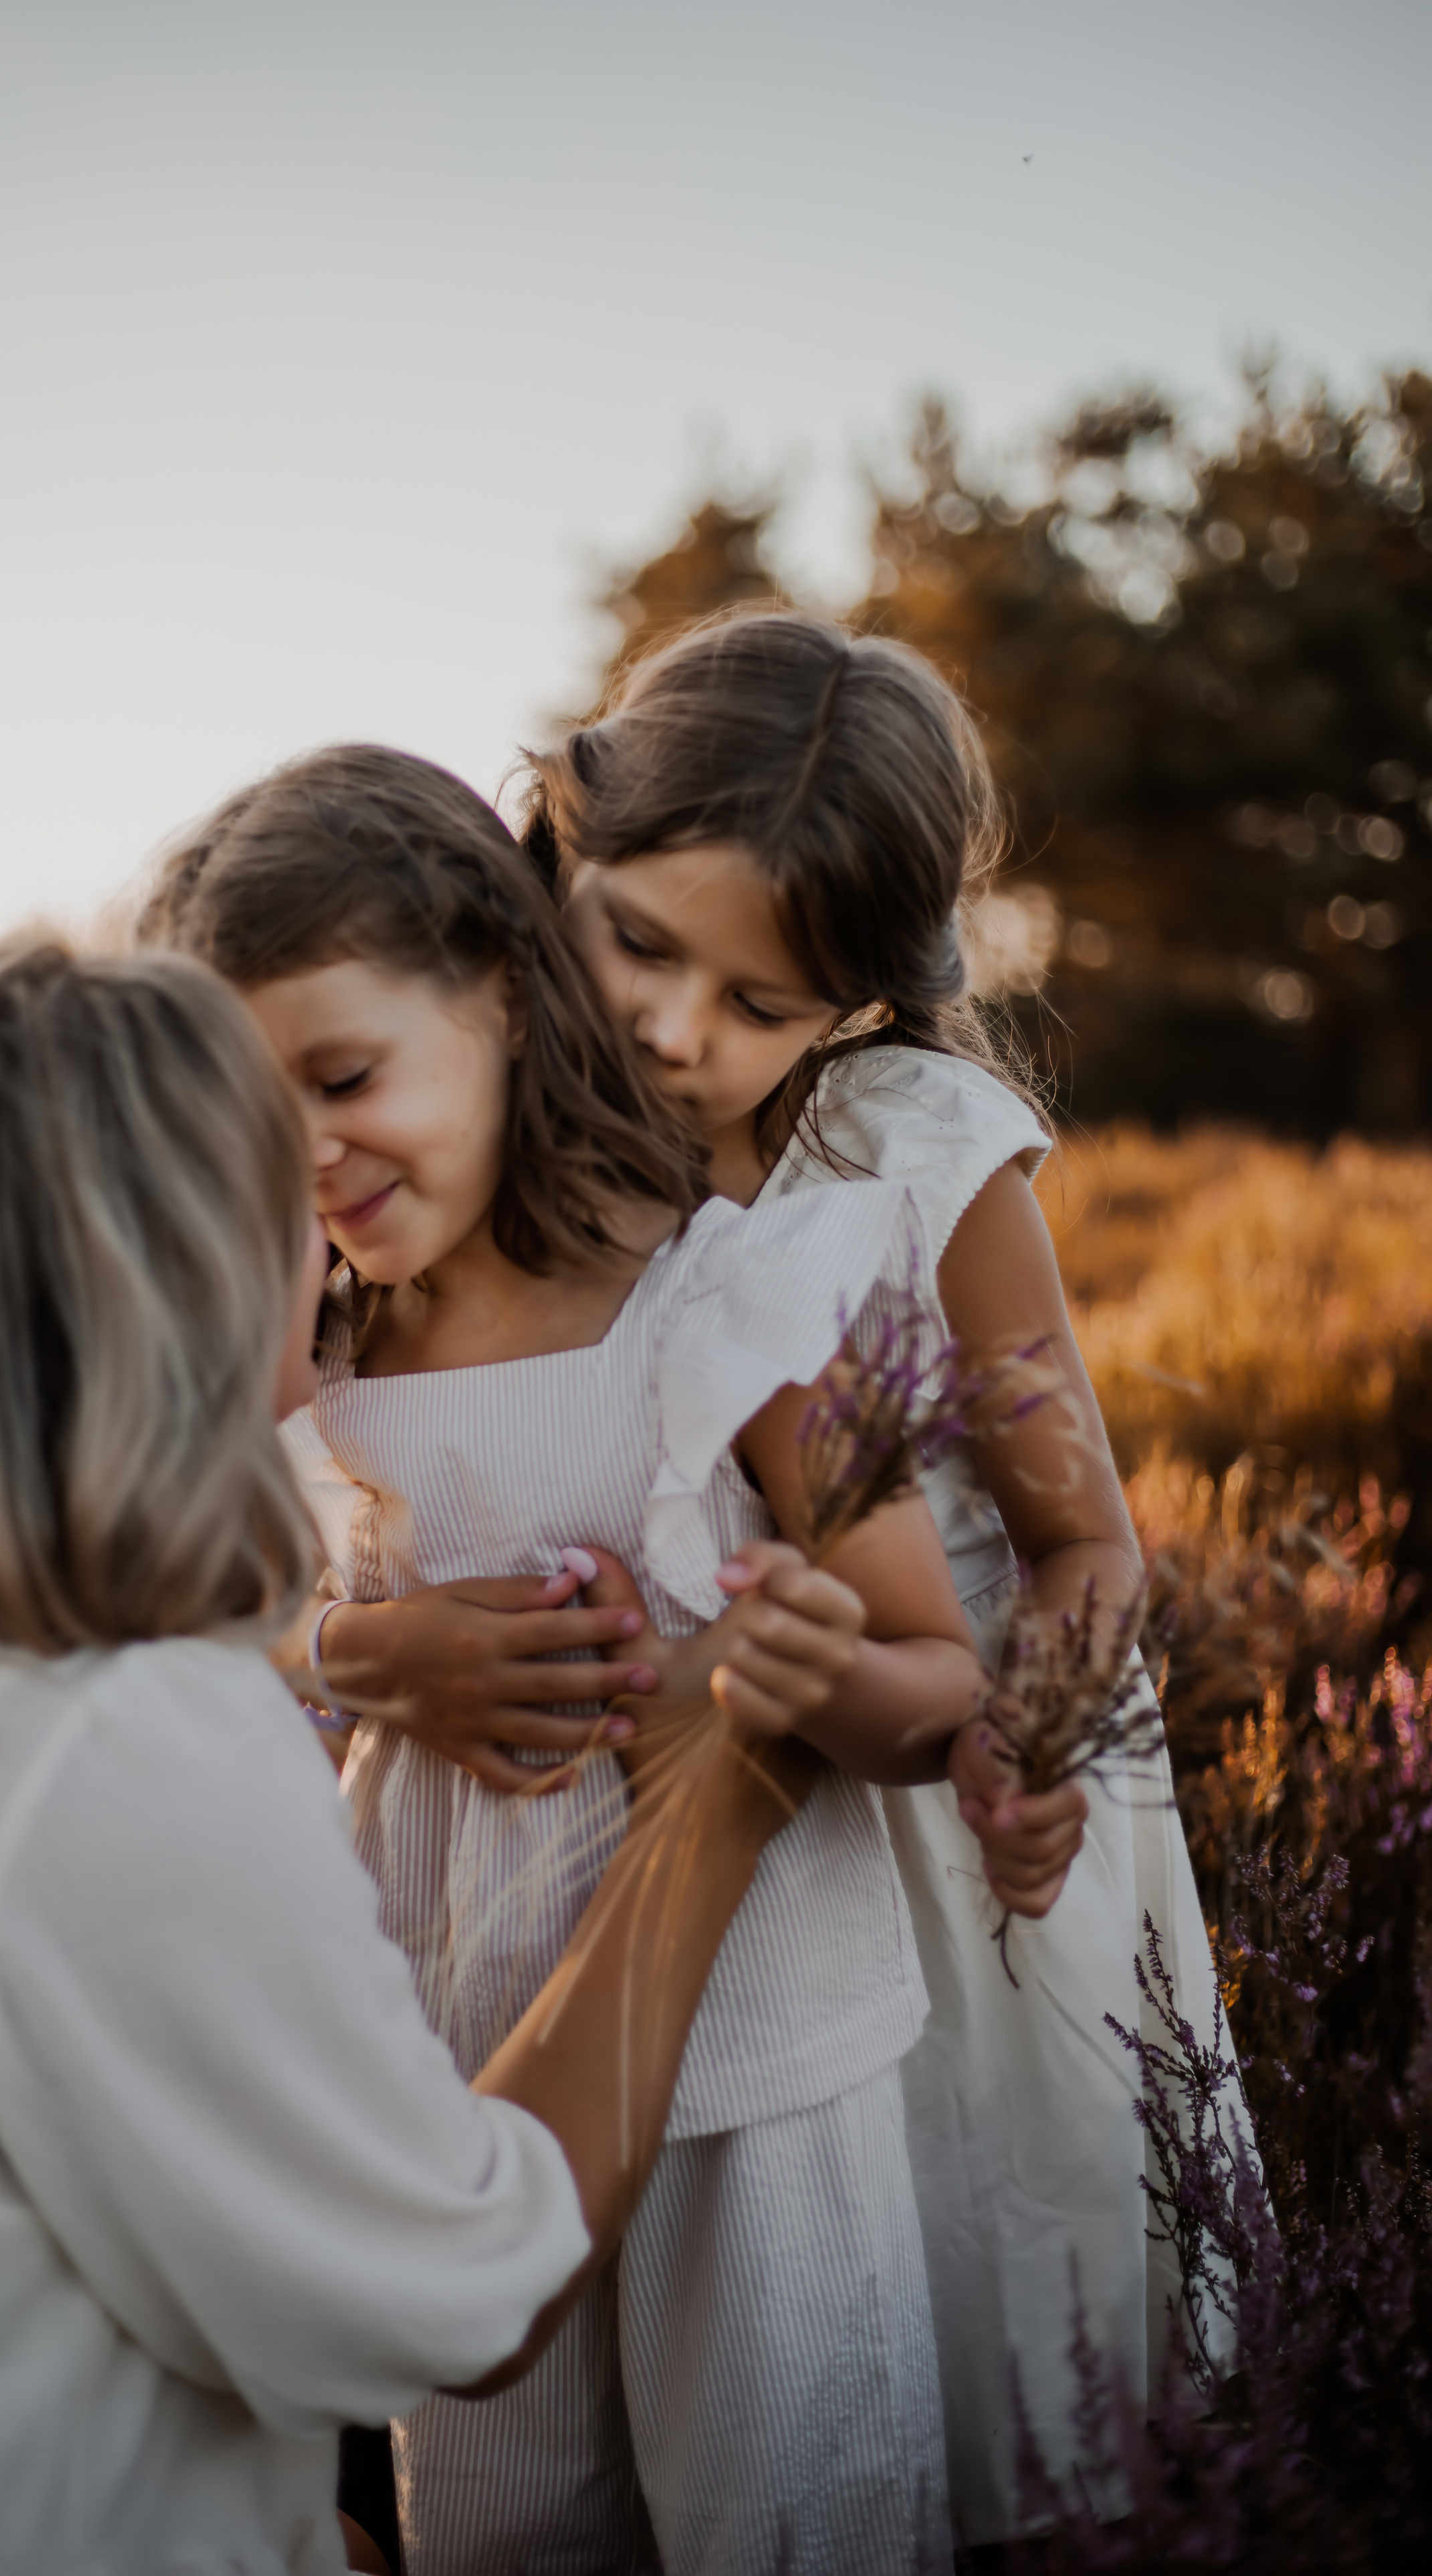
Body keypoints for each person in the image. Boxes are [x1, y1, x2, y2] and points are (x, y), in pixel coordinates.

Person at [0, 942, 808, 2576]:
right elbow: (461, 2284)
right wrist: (716, 1810)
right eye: (269, 1173)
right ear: (162, 1270)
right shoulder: (102, 1738)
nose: (322, 1225)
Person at [149, 747, 1087, 2576]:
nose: (309, 1157)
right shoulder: (309, 1350)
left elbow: (942, 1682)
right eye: (246, 1119)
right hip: (457, 2090)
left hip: (762, 2090)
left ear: (503, 994)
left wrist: (788, 1681)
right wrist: (368, 1647)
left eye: (345, 1079)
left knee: (791, 2521)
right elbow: (216, 1617)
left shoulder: (738, 1296)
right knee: (500, 2539)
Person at [508, 608, 1253, 2540]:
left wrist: (1032, 1743)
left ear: (852, 1003)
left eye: (760, 1003)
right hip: (674, 1831)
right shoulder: (513, 1115)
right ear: (566, 836)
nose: (680, 1031)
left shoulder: (913, 1145)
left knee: (980, 2311)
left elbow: (1085, 1536)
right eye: (645, 942)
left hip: (952, 1819)